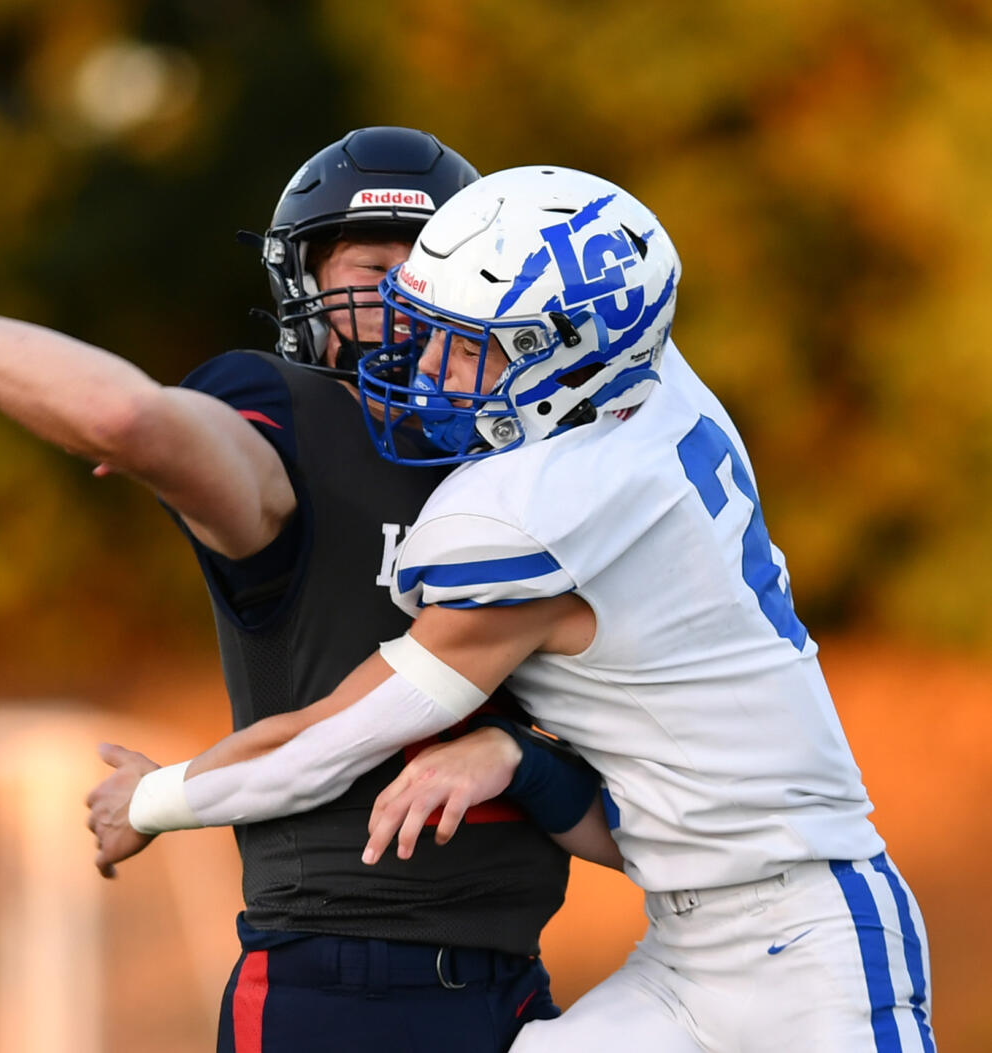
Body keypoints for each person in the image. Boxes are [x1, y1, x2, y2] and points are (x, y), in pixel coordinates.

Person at [103, 166, 936, 1052]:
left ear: (564, 349)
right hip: (684, 952)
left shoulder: (541, 509)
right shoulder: (650, 388)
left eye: (465, 346)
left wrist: (147, 800)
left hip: (814, 948)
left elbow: (320, 748)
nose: (426, 369)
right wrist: (515, 752)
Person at [0, 129, 607, 1053]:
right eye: (373, 265)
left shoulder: (535, 452)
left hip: (519, 986)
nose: (405, 296)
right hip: (346, 988)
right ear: (305, 282)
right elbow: (125, 414)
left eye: (431, 265)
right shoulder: (292, 425)